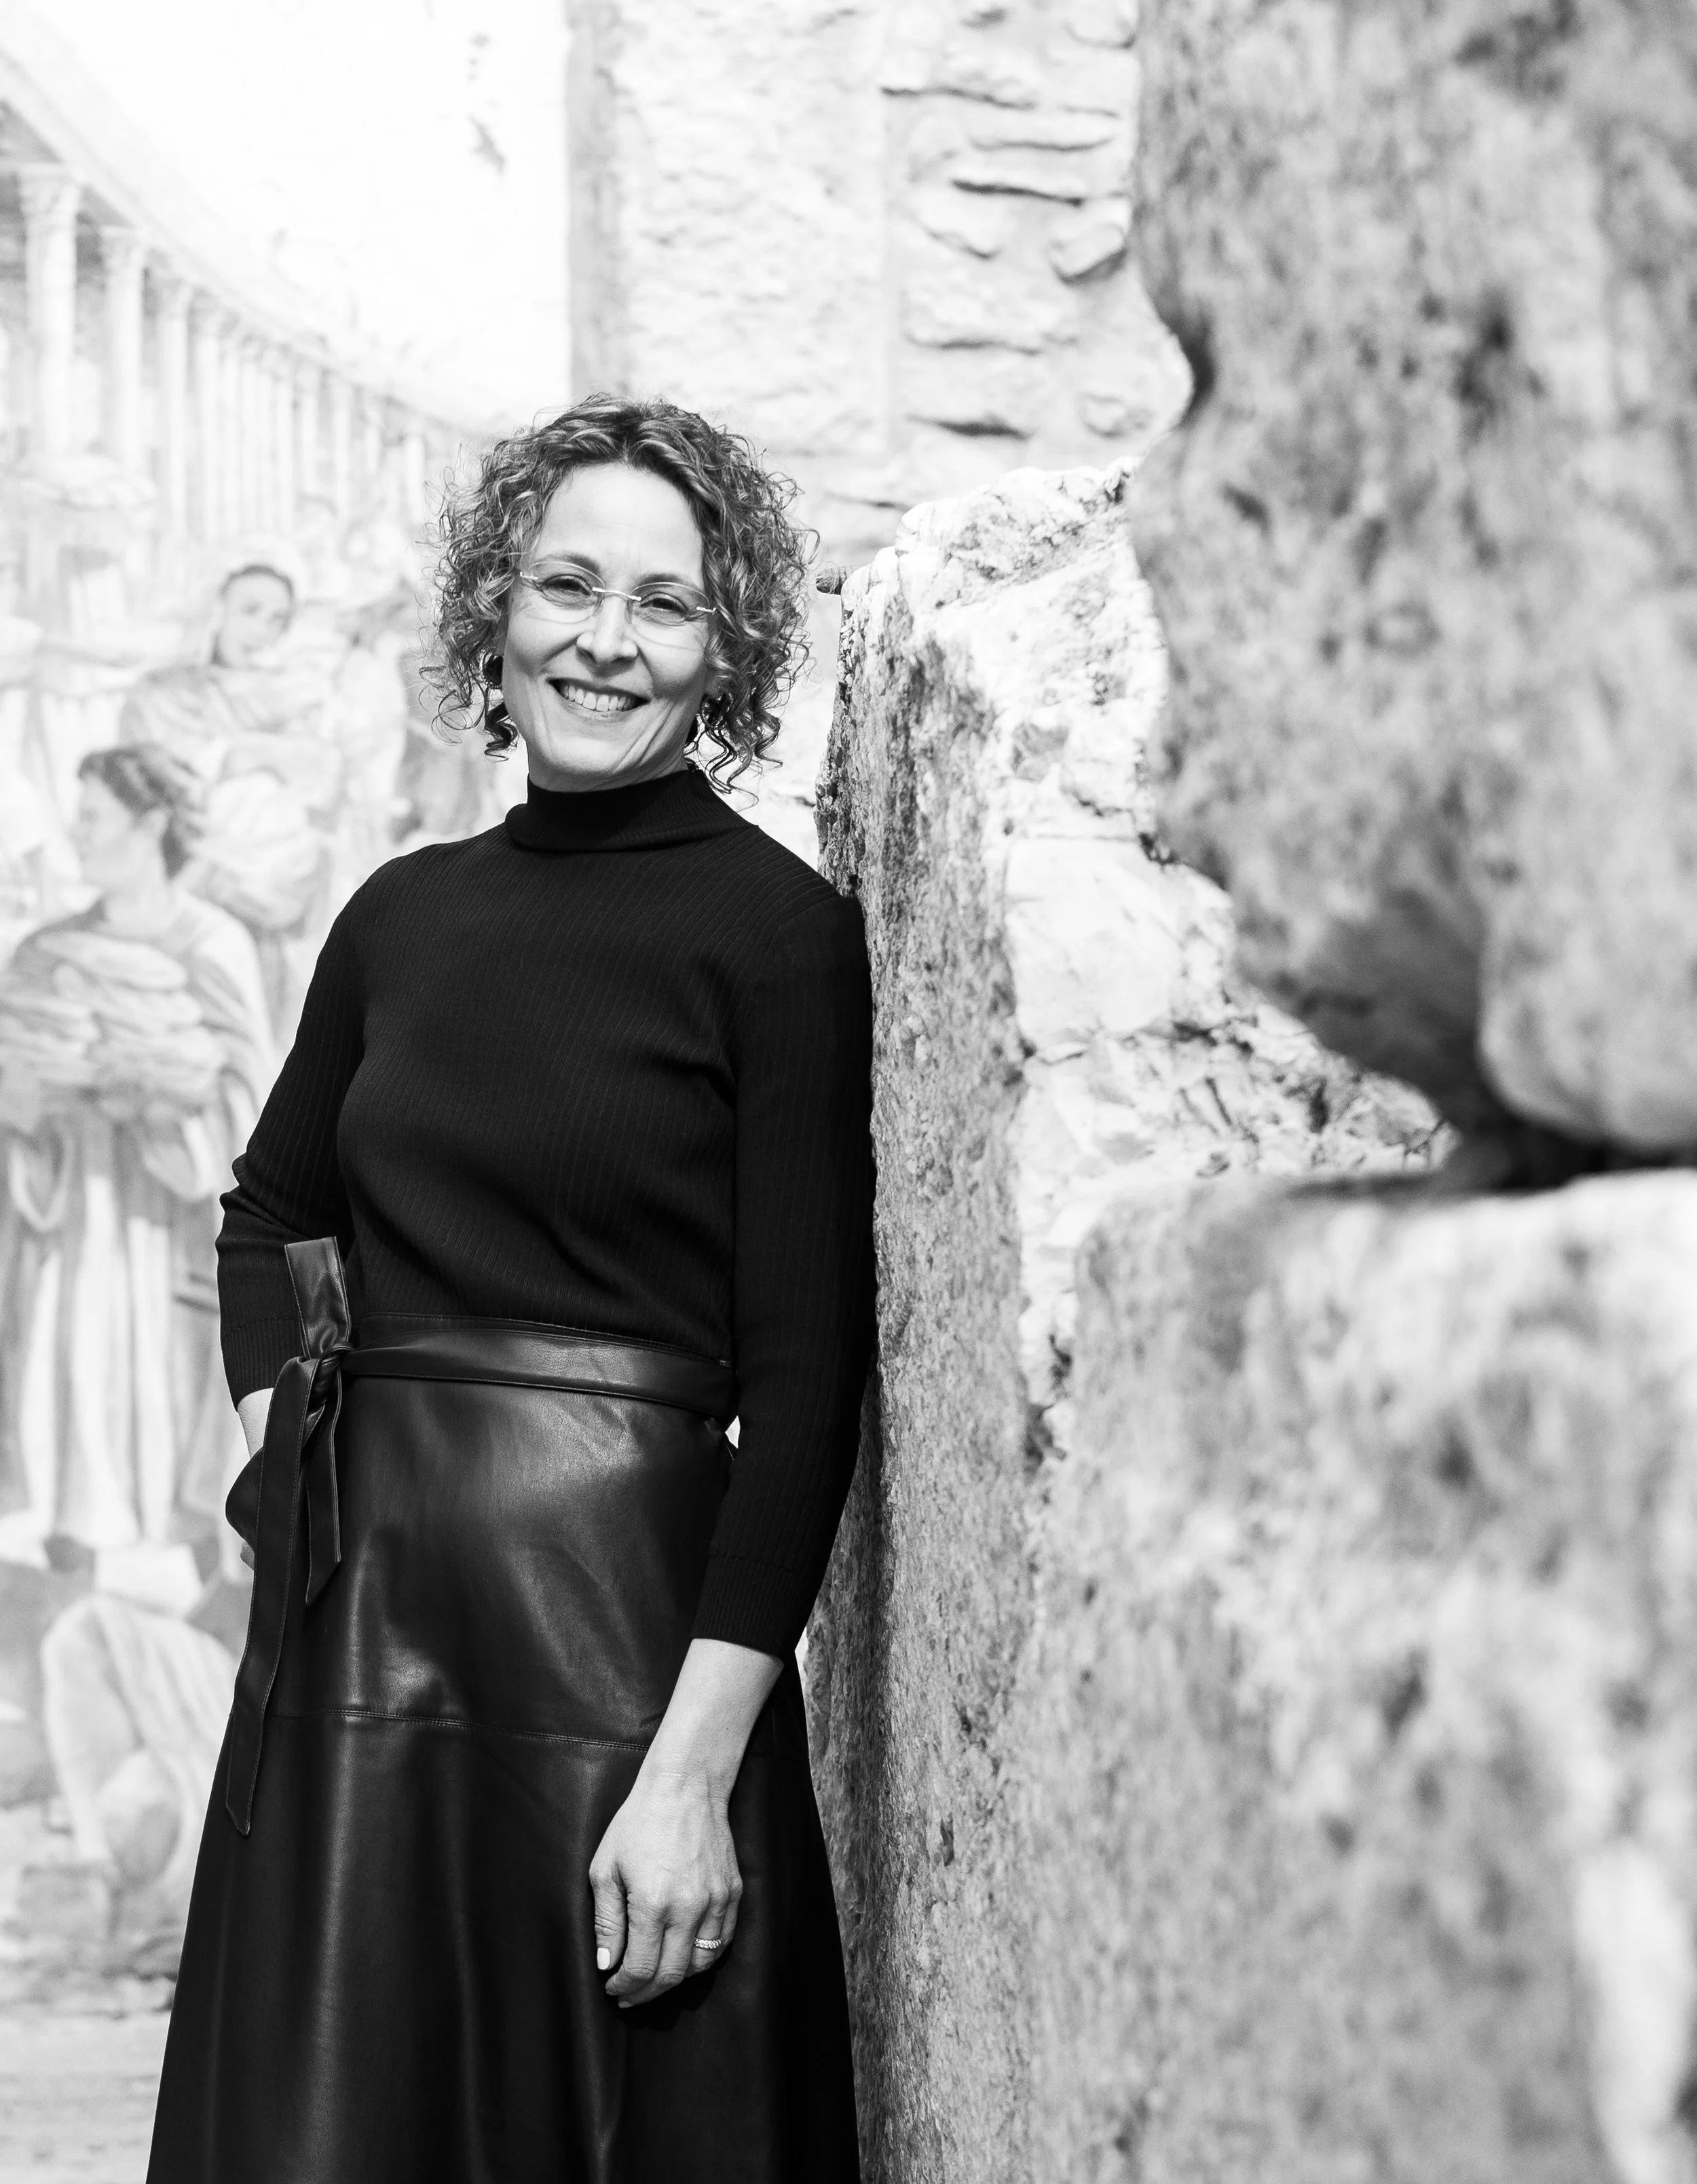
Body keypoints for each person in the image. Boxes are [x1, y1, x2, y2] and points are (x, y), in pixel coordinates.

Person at [149, 395, 876, 2183]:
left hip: (621, 1690)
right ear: (497, 608)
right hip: (358, 1677)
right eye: (566, 585)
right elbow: (268, 1217)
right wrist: (310, 1464)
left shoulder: (779, 939)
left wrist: (691, 1774)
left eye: (663, 603)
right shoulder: (398, 918)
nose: (605, 640)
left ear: (723, 650)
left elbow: (804, 1390)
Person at [0, 745, 274, 1566]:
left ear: (151, 824)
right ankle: (70, 1571)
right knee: (76, 1393)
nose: (76, 833)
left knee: (183, 1407)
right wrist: (42, 1098)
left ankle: (205, 1577)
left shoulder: (213, 945)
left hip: (179, 1225)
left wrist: (153, 1096)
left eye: (94, 816)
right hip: (75, 1224)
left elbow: (252, 1111)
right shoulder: (47, 953)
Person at [121, 563, 341, 1043]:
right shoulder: (165, 690)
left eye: (277, 620)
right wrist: (243, 755)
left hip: (272, 871)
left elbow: (319, 780)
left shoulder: (293, 693)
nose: (262, 630)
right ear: (216, 609)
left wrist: (251, 756)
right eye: (250, 611)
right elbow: (147, 775)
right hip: (185, 846)